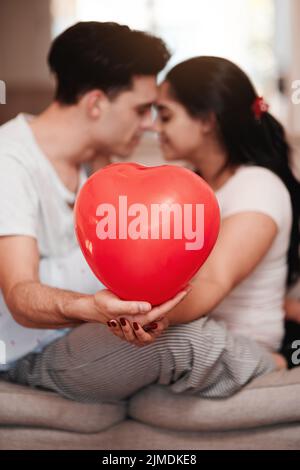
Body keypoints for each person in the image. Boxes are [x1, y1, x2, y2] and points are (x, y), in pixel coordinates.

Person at [0, 28, 283, 404]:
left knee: (168, 336)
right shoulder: (10, 161)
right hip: (28, 354)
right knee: (180, 339)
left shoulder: (98, 167)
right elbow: (20, 297)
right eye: (141, 109)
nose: (150, 123)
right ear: (96, 103)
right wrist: (92, 310)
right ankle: (272, 365)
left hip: (88, 338)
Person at [110, 56, 300, 363]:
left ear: (207, 121)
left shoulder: (258, 186)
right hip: (200, 329)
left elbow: (212, 280)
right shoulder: (191, 186)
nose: (155, 127)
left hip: (240, 344)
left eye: (166, 115)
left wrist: (150, 317)